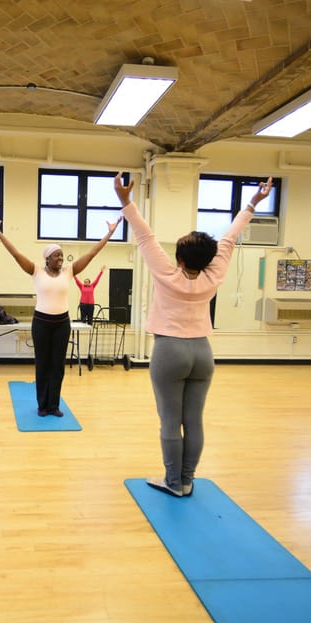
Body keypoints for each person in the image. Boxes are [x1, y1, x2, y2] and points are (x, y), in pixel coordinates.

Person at [115, 172, 273, 497]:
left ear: (181, 258)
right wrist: (253, 202)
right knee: (194, 420)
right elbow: (229, 238)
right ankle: (188, 480)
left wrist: (126, 201)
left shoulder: (168, 274)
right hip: (203, 353)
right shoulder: (214, 275)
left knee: (170, 421)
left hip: (170, 351)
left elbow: (145, 237)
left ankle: (173, 483)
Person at [0, 212, 122, 417]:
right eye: (56, 255)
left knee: (57, 366)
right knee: (43, 364)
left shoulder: (69, 271)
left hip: (62, 323)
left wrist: (109, 233)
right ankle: (42, 405)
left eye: (61, 254)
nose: (60, 258)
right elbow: (15, 254)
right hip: (41, 323)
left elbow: (92, 254)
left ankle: (54, 405)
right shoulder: (36, 271)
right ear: (47, 258)